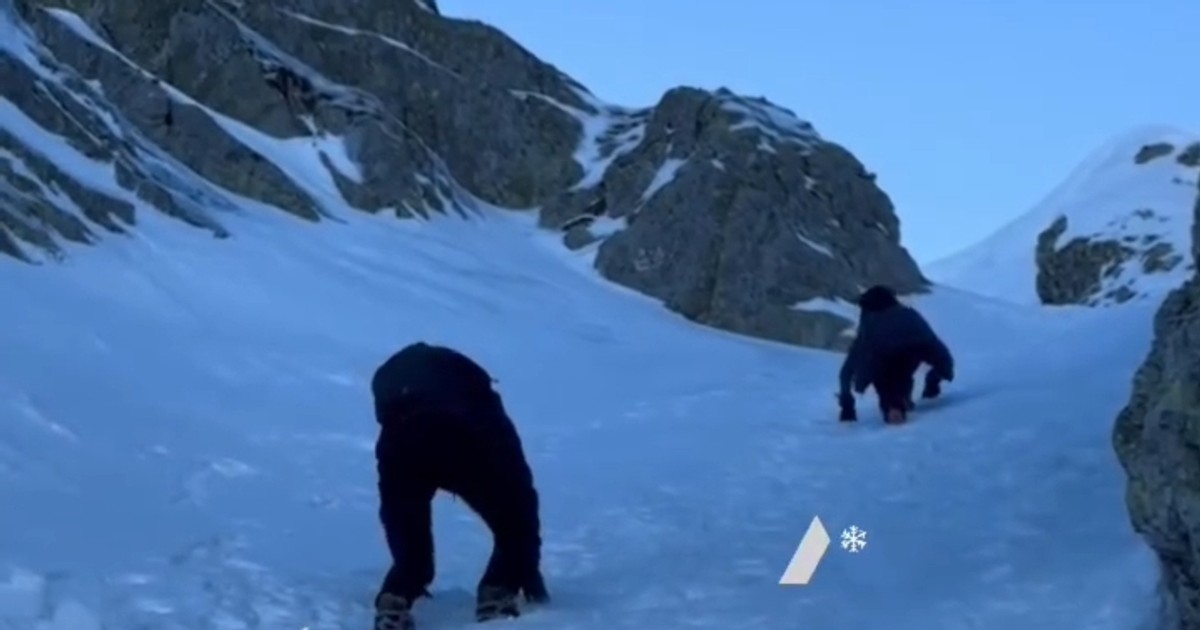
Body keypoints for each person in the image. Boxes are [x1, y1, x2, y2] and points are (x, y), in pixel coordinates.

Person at [370, 342, 549, 630]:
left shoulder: (397, 395)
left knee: (408, 537)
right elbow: (520, 494)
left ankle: (397, 596)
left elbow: (396, 512)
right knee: (515, 521)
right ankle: (497, 594)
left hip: (401, 443)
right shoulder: (480, 402)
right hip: (466, 435)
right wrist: (523, 564)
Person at [837, 285, 955, 424]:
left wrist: (847, 404)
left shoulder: (870, 325)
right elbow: (935, 348)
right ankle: (901, 402)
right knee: (901, 373)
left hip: (885, 358)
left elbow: (848, 369)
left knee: (886, 379)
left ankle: (895, 407)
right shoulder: (910, 316)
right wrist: (937, 375)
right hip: (914, 351)